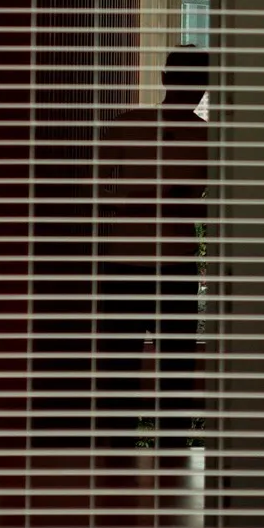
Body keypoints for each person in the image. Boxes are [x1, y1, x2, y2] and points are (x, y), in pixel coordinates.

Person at [95, 46, 208, 447]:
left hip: (162, 263)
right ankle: (125, 459)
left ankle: (148, 459)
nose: (194, 90)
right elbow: (94, 187)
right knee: (129, 367)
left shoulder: (200, 134)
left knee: (159, 367)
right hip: (140, 263)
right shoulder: (134, 126)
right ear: (166, 80)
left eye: (199, 81)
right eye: (190, 80)